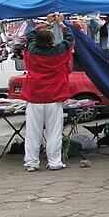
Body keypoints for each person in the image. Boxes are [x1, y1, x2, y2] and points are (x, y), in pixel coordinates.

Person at [21, 15, 74, 172]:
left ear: (37, 40)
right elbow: (69, 38)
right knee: (54, 131)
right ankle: (54, 162)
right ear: (52, 41)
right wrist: (60, 23)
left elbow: (29, 35)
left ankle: (31, 163)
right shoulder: (60, 51)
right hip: (54, 96)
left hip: (34, 97)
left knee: (32, 132)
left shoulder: (31, 51)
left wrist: (46, 23)